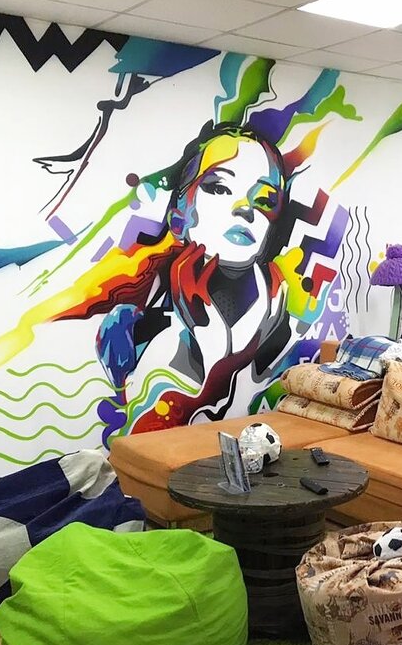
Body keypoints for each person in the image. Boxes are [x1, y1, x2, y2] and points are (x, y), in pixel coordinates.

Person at [92, 121, 298, 434]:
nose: (245, 209)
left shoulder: (284, 328)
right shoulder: (133, 329)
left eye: (264, 200)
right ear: (179, 215)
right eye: (220, 188)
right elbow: (138, 438)